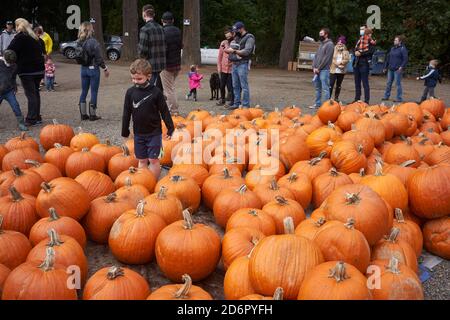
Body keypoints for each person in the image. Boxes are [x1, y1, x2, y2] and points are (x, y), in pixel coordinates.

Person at [122, 59, 174, 179]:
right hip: (139, 134)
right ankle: (144, 181)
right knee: (142, 160)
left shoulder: (156, 92)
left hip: (154, 133)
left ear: (149, 76)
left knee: (154, 160)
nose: (136, 81)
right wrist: (125, 130)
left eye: (139, 79)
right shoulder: (130, 93)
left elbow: (164, 111)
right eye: (133, 79)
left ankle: (153, 182)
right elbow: (126, 112)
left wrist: (170, 128)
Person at [7, 18, 45, 127]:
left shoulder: (19, 38)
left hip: (27, 70)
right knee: (36, 93)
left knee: (31, 94)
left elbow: (10, 51)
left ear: (18, 26)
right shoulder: (35, 37)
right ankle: (37, 116)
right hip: (39, 70)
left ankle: (32, 118)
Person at [77, 21, 109, 121]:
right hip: (93, 69)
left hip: (83, 69)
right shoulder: (94, 42)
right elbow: (99, 59)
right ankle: (92, 115)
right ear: (90, 29)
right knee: (94, 91)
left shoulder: (78, 41)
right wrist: (105, 68)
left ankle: (83, 114)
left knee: (84, 91)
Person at [225, 21, 255, 110]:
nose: (235, 32)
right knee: (235, 85)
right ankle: (236, 103)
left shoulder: (250, 37)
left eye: (236, 30)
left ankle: (246, 105)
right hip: (235, 64)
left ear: (242, 28)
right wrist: (228, 50)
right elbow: (233, 47)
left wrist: (234, 51)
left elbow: (247, 51)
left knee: (244, 85)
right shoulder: (237, 37)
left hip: (243, 64)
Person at [138, 4, 166, 92]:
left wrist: (141, 63)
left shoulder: (145, 29)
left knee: (150, 92)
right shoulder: (161, 28)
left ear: (144, 14)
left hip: (150, 66)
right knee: (159, 92)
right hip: (162, 66)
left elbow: (142, 50)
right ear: (153, 14)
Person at [160, 11, 182, 115]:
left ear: (162, 21)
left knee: (169, 89)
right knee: (169, 87)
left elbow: (163, 49)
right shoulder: (178, 30)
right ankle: (167, 108)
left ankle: (174, 111)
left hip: (166, 65)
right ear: (172, 20)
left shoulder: (162, 32)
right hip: (177, 64)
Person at [0, 50, 28, 131]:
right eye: (9, 62)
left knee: (15, 105)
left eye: (12, 62)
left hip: (8, 91)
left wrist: (15, 87)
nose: (10, 64)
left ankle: (21, 123)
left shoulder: (14, 66)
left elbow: (13, 77)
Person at [308, 28, 334, 109]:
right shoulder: (321, 44)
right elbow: (316, 56)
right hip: (317, 70)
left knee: (325, 88)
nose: (320, 35)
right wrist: (314, 67)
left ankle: (326, 106)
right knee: (317, 88)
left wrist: (319, 68)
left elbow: (326, 58)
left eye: (321, 34)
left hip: (324, 70)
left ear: (326, 34)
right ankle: (317, 104)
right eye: (320, 33)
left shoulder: (330, 44)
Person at [352, 25, 376, 104]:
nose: (361, 31)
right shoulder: (359, 40)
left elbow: (371, 51)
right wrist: (355, 52)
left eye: (362, 30)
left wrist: (361, 53)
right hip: (357, 63)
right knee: (357, 82)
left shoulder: (371, 41)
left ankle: (366, 101)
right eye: (361, 30)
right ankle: (357, 99)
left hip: (364, 63)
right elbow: (355, 49)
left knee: (365, 83)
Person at [382, 35, 408, 103]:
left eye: (396, 40)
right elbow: (388, 58)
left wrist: (401, 67)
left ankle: (399, 98)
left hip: (397, 69)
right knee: (388, 83)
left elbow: (405, 59)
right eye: (394, 40)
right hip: (390, 69)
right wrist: (385, 67)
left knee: (397, 84)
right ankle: (386, 96)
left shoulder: (403, 49)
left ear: (400, 41)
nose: (394, 41)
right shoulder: (392, 49)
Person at [329, 36, 350, 102]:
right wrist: (337, 64)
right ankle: (328, 97)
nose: (339, 44)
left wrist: (341, 63)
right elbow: (332, 58)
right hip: (334, 69)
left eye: (341, 43)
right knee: (331, 84)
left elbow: (347, 59)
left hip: (341, 70)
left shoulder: (346, 51)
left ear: (343, 44)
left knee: (338, 85)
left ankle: (336, 97)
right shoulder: (333, 49)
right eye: (339, 43)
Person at [217, 27, 234, 106]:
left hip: (231, 70)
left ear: (233, 35)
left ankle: (231, 100)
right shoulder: (223, 43)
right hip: (223, 69)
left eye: (229, 36)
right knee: (222, 85)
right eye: (226, 37)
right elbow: (220, 56)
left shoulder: (235, 43)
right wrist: (219, 68)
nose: (228, 38)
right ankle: (222, 99)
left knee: (230, 86)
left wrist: (233, 63)